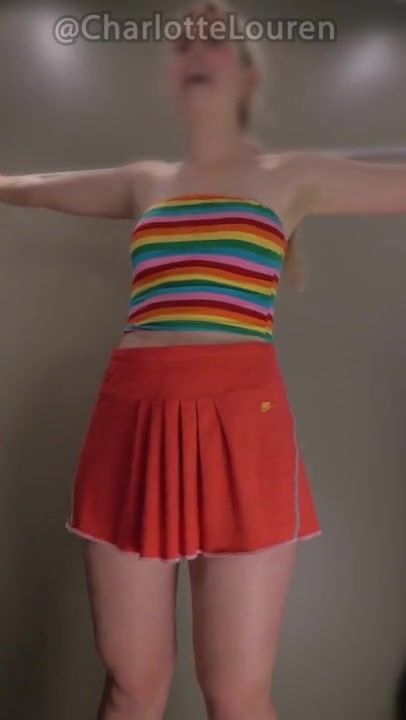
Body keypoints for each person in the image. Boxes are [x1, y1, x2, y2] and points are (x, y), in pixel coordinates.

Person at [2, 1, 406, 718]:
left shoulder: (293, 175)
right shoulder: (145, 180)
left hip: (242, 424)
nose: (194, 51)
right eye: (183, 43)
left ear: (248, 76)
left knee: (237, 694)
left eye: (214, 41)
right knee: (131, 686)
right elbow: (28, 189)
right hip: (131, 419)